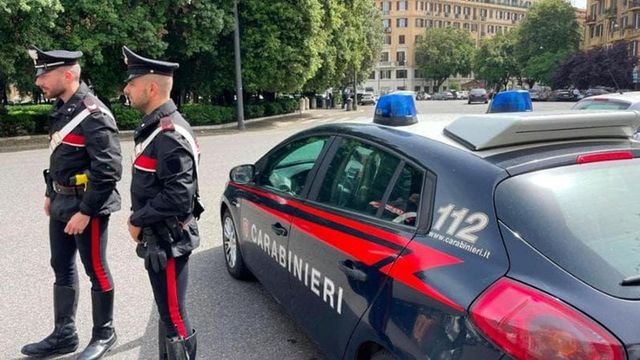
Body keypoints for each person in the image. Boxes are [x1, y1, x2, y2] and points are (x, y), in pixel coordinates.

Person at [21, 46, 122, 359]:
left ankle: (105, 334)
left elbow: (108, 171)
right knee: (61, 267)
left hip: (87, 207)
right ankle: (64, 334)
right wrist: (51, 194)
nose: (39, 81)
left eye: (44, 74)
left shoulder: (93, 114)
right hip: (63, 202)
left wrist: (86, 212)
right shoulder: (64, 109)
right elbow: (61, 158)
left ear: (67, 74)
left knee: (96, 270)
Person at [122, 45, 201, 359]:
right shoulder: (156, 126)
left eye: (132, 83)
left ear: (151, 87)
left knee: (174, 317)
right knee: (169, 313)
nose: (126, 89)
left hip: (167, 240)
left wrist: (137, 219)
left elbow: (179, 196)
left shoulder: (168, 133)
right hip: (159, 237)